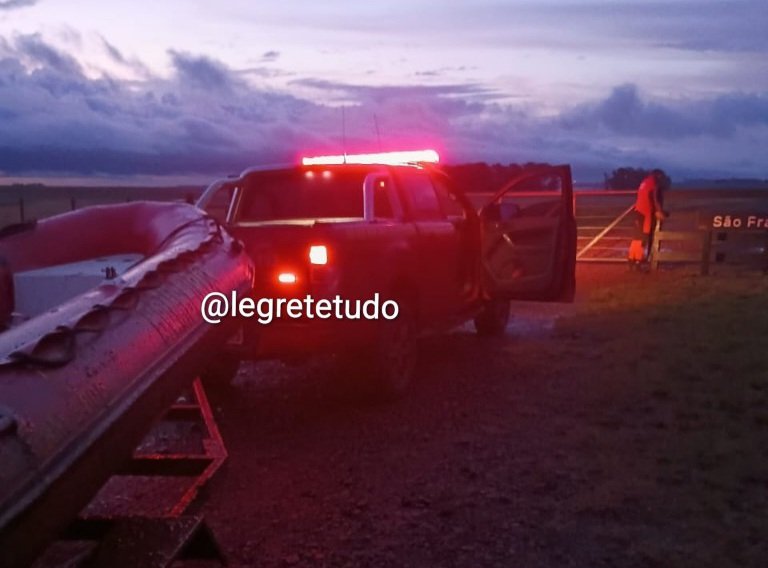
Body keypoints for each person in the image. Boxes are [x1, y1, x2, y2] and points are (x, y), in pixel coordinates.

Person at [628, 169, 668, 270]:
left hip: (638, 211)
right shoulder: (654, 184)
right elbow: (654, 199)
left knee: (636, 238)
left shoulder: (644, 182)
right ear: (657, 176)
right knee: (643, 238)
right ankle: (638, 262)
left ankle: (631, 260)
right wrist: (659, 211)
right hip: (645, 213)